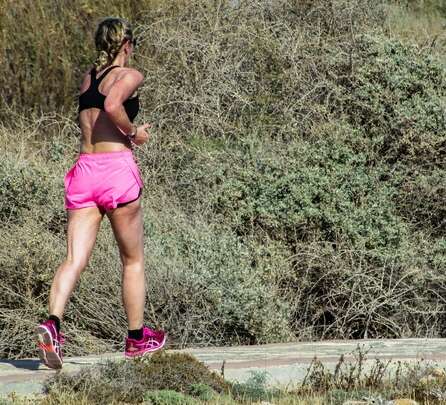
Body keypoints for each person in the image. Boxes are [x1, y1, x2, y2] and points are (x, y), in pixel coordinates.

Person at [35, 17, 166, 369]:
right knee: (133, 259)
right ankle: (138, 339)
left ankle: (53, 324)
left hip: (84, 173)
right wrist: (134, 132)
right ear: (126, 44)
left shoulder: (87, 79)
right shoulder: (129, 75)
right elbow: (112, 106)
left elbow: (94, 111)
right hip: (115, 172)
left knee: (74, 260)